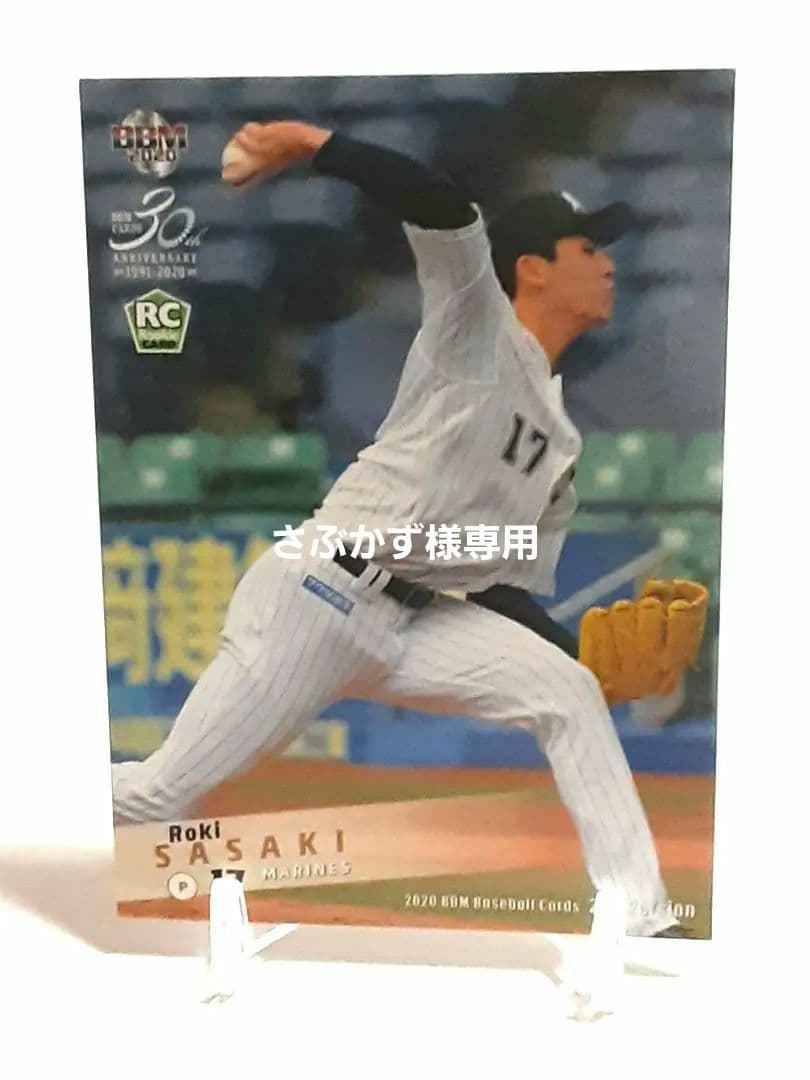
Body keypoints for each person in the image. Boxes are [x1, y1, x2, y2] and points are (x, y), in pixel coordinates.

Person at [113, 119, 696, 937]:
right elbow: (444, 209)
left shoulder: (560, 444)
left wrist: (585, 661)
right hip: (320, 593)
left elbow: (497, 586)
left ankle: (641, 913)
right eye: (588, 249)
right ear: (533, 269)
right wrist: (308, 144)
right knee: (159, 795)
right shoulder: (477, 331)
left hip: (419, 619)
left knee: (566, 694)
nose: (608, 266)